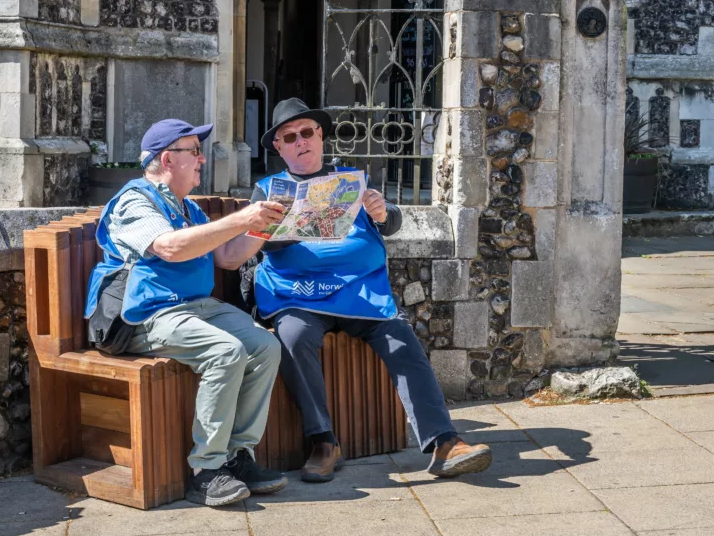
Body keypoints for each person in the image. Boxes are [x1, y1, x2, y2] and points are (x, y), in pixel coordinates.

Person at [231, 98, 494, 483]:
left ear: (319, 136)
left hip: (359, 292)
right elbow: (257, 245)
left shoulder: (352, 180)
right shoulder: (268, 189)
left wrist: (383, 211)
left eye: (307, 132)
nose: (300, 141)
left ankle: (444, 442)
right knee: (291, 336)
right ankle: (323, 441)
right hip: (297, 294)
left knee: (402, 339)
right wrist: (291, 226)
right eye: (290, 137)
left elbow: (391, 224)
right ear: (279, 147)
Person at [84, 118, 290, 507]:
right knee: (225, 351)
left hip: (196, 308)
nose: (201, 160)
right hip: (148, 314)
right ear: (167, 159)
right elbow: (170, 248)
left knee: (264, 345)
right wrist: (241, 218)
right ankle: (206, 471)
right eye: (194, 151)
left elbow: (228, 258)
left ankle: (237, 456)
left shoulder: (187, 207)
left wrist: (264, 227)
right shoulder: (135, 200)